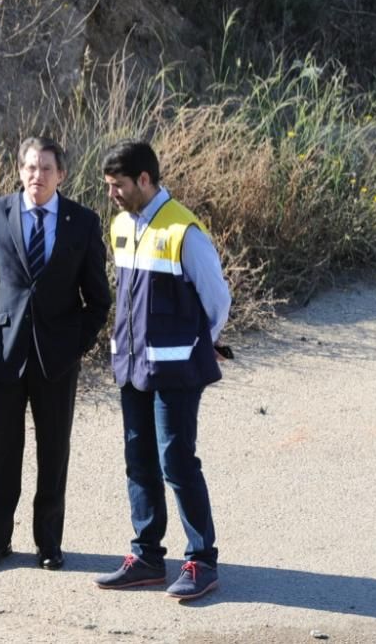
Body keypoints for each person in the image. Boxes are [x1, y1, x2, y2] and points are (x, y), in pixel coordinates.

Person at [0, 136, 111, 571]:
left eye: (45, 168)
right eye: (28, 167)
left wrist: (76, 342)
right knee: (1, 452)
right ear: (19, 170)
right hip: (1, 355)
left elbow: (98, 298)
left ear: (61, 174)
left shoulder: (82, 222)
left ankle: (49, 542)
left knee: (53, 451)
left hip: (57, 359)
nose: (35, 176)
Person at [94, 140, 231, 601]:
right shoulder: (120, 226)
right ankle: (147, 555)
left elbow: (217, 300)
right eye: (109, 186)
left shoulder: (184, 231)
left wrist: (197, 342)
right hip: (131, 367)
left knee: (176, 462)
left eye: (119, 185)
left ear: (146, 181)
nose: (113, 193)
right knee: (139, 460)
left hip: (175, 372)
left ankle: (202, 560)